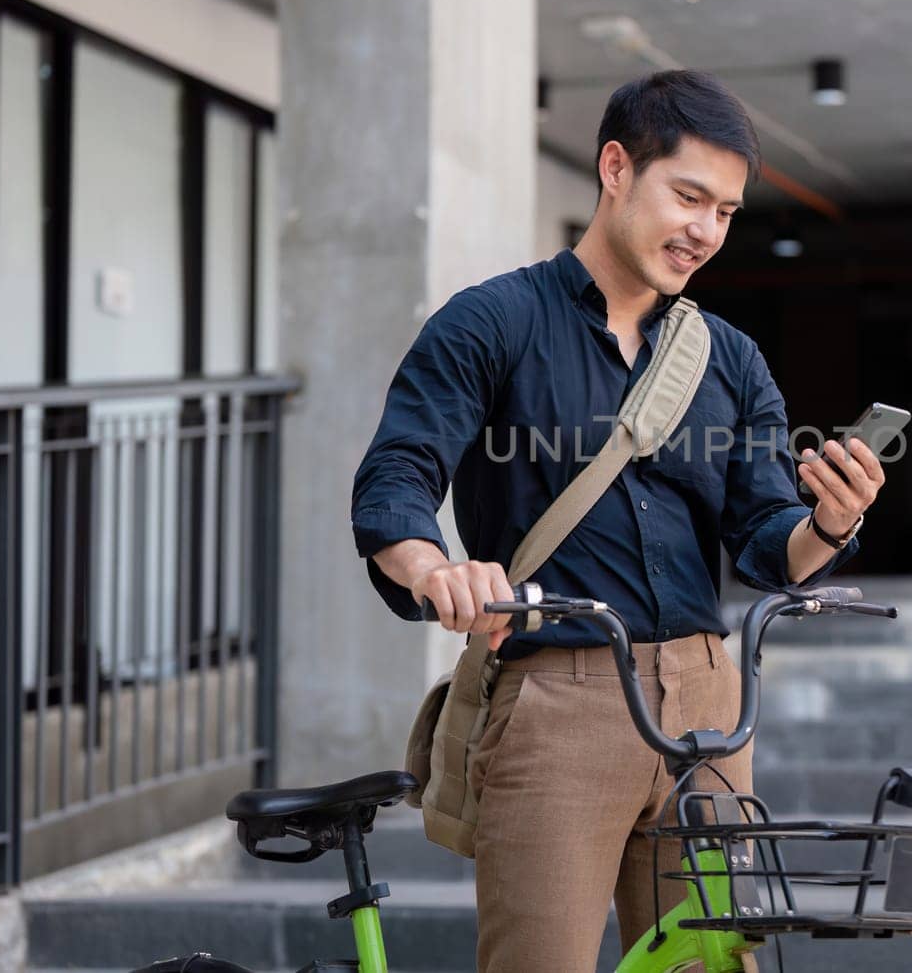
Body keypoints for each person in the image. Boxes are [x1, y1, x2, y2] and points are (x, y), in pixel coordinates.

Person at [351, 69, 883, 971]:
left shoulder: (732, 359)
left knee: (710, 964)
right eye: (687, 197)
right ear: (613, 168)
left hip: (712, 704)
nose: (705, 232)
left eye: (724, 211)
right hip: (558, 700)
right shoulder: (493, 321)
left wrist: (829, 522)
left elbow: (767, 545)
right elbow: (396, 475)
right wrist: (435, 567)